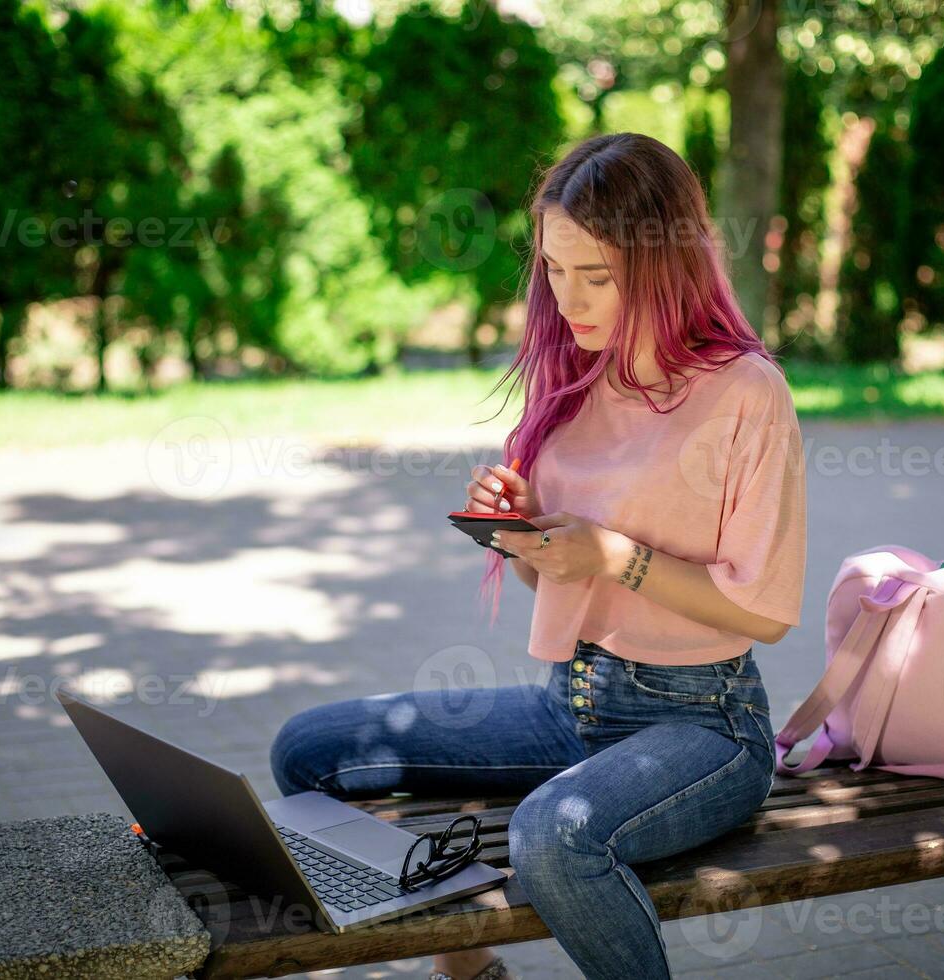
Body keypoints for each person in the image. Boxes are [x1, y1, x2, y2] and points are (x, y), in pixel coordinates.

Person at [270, 132, 807, 980]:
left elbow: (766, 611)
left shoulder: (747, 392)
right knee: (307, 753)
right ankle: (467, 965)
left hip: (703, 726)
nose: (570, 298)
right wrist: (528, 533)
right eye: (556, 270)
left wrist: (614, 555)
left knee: (552, 836)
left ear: (664, 264)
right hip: (572, 706)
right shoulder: (572, 379)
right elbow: (547, 573)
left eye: (596, 275)